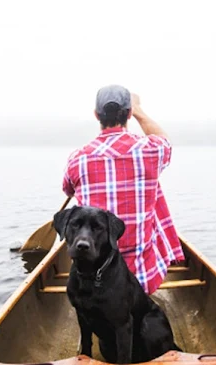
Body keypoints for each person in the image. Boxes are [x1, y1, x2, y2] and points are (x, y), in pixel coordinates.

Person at [61, 84, 185, 294]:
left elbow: (68, 190)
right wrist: (138, 110)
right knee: (155, 202)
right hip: (141, 279)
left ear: (96, 115)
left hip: (94, 278)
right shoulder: (151, 150)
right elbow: (166, 141)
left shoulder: (77, 159)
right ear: (128, 113)